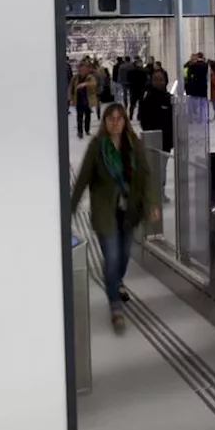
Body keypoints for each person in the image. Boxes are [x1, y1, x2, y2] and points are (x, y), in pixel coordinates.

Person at [70, 104, 161, 333]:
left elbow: (146, 176)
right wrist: (70, 208)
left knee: (123, 256)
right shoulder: (97, 147)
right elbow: (82, 179)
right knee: (111, 259)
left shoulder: (134, 145)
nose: (115, 123)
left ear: (125, 121)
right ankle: (115, 307)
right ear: (105, 122)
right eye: (111, 119)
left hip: (129, 211)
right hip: (105, 213)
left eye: (119, 119)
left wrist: (151, 203)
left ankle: (116, 282)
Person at [137, 69, 174, 203]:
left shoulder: (169, 98)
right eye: (155, 79)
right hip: (152, 141)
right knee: (152, 168)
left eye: (160, 79)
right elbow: (143, 119)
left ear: (165, 81)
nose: (158, 82)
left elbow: (173, 120)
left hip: (166, 141)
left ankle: (161, 191)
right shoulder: (147, 98)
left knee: (162, 169)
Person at [69, 63, 98, 139]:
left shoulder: (90, 77)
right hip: (78, 99)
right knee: (79, 116)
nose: (83, 71)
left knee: (88, 115)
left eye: (84, 69)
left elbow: (94, 84)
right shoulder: (75, 78)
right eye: (81, 69)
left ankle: (87, 129)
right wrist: (71, 99)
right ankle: (80, 132)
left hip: (87, 100)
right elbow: (71, 88)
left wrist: (85, 84)